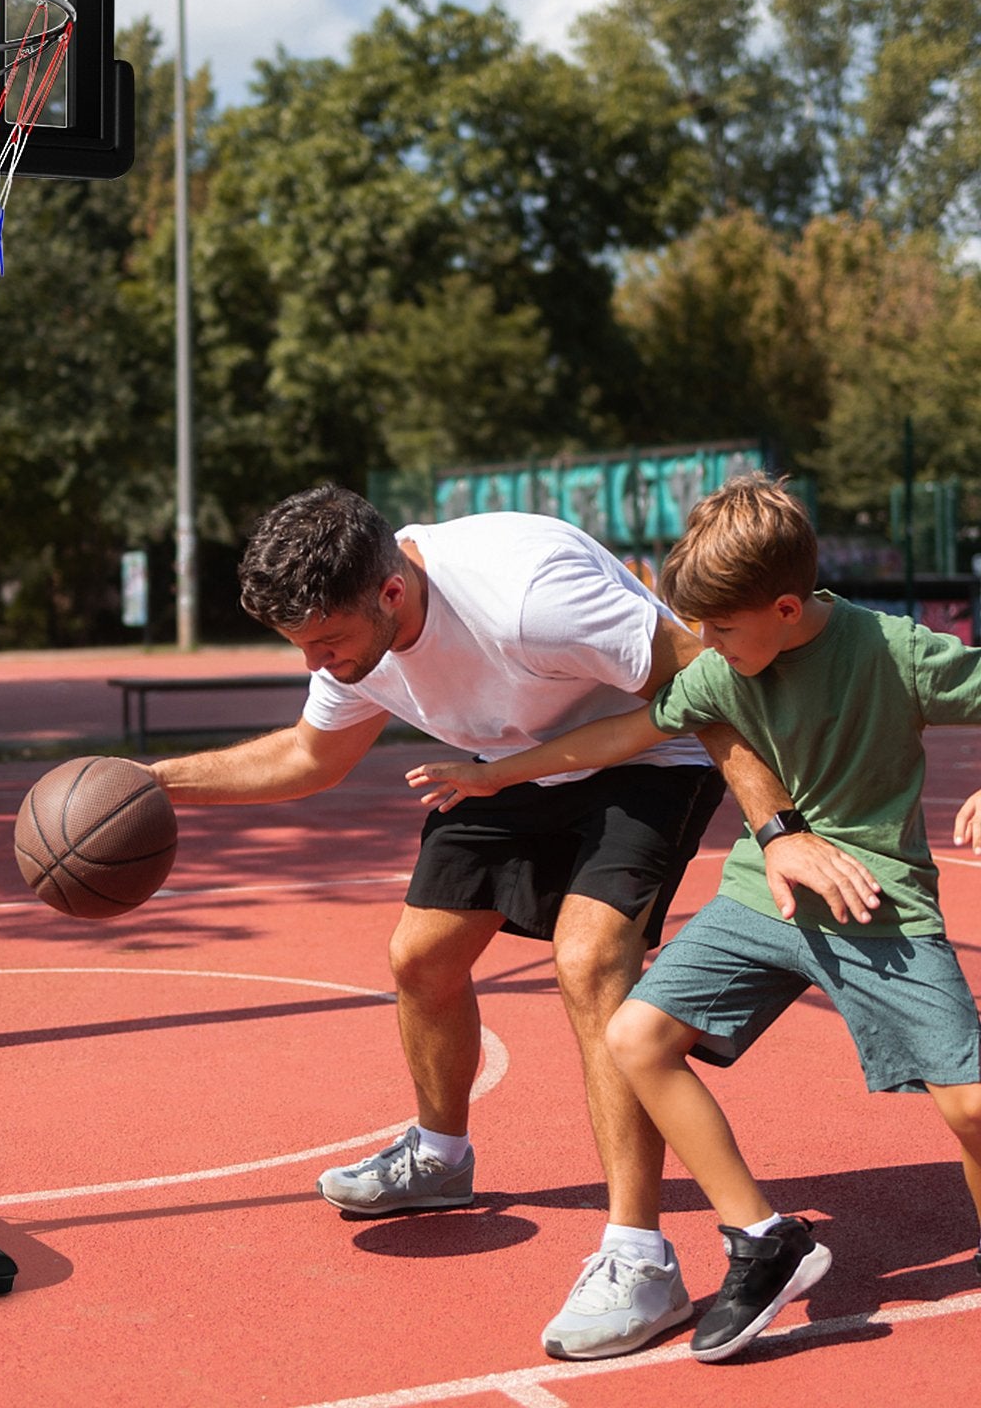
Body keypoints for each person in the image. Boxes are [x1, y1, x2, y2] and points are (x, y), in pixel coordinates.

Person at [145, 484, 864, 1359]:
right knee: (420, 959)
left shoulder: (529, 598)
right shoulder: (353, 637)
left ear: (393, 592)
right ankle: (440, 1160)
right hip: (508, 763)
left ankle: (640, 1259)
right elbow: (309, 754)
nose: (319, 667)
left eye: (326, 644)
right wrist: (155, 781)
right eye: (303, 648)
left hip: (646, 751)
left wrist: (780, 827)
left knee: (591, 961)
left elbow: (705, 681)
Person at [408, 473, 981, 1361]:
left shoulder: (894, 651)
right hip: (764, 895)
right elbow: (623, 734)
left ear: (787, 607)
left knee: (973, 1108)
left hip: (877, 905)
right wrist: (498, 772)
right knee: (637, 1038)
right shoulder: (719, 665)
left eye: (719, 628)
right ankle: (763, 1238)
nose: (700, 647)